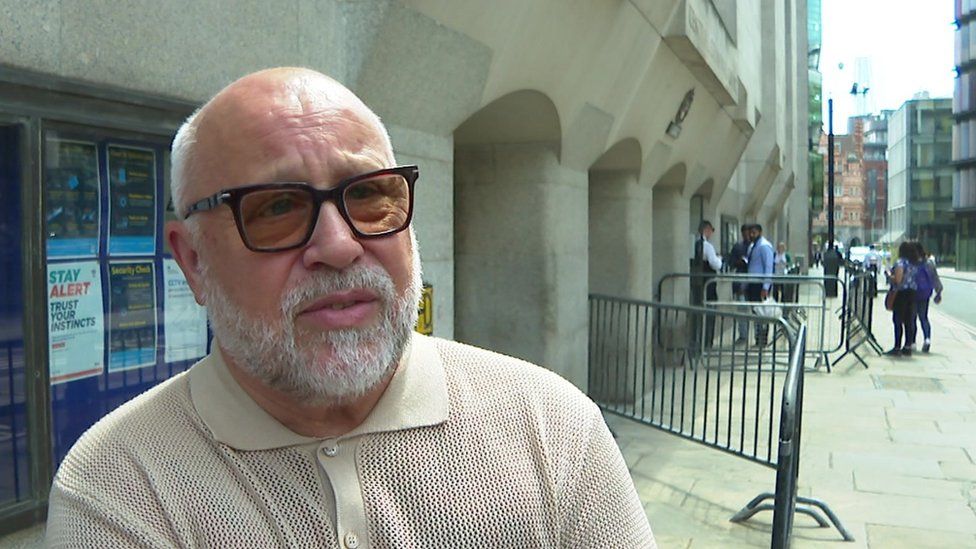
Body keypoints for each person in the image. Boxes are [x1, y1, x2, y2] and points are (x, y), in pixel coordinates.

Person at [45, 68, 655, 547]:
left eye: (369, 196)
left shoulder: (552, 427)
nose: (338, 246)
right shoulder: (115, 486)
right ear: (193, 260)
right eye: (277, 207)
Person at [885, 241, 920, 356]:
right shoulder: (914, 263)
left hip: (901, 294)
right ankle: (908, 346)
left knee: (898, 320)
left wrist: (890, 276)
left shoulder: (901, 263)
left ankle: (897, 347)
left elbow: (898, 280)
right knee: (909, 320)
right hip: (912, 293)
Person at [693, 220, 722, 347]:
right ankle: (707, 341)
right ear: (707, 229)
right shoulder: (707, 246)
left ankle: (698, 340)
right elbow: (715, 263)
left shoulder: (694, 243)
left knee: (697, 312)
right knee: (710, 311)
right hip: (708, 284)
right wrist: (720, 260)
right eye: (711, 230)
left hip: (697, 283)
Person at [910, 241, 943, 353]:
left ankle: (913, 342)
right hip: (925, 293)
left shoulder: (911, 263)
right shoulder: (929, 263)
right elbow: (935, 278)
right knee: (924, 317)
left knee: (912, 318)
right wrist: (938, 292)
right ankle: (927, 339)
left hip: (913, 293)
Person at [746, 224, 775, 346]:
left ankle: (763, 339)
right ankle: (758, 337)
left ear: (760, 232)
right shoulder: (753, 246)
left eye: (754, 232)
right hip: (752, 284)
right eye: (750, 233)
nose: (752, 235)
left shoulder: (764, 246)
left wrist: (765, 287)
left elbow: (768, 267)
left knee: (763, 313)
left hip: (760, 285)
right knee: (756, 312)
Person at [728, 225, 752, 344]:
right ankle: (743, 335)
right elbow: (731, 262)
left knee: (755, 309)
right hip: (741, 278)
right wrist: (740, 261)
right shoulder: (738, 247)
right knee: (742, 309)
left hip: (752, 281)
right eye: (745, 233)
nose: (747, 236)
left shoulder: (755, 247)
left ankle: (759, 337)